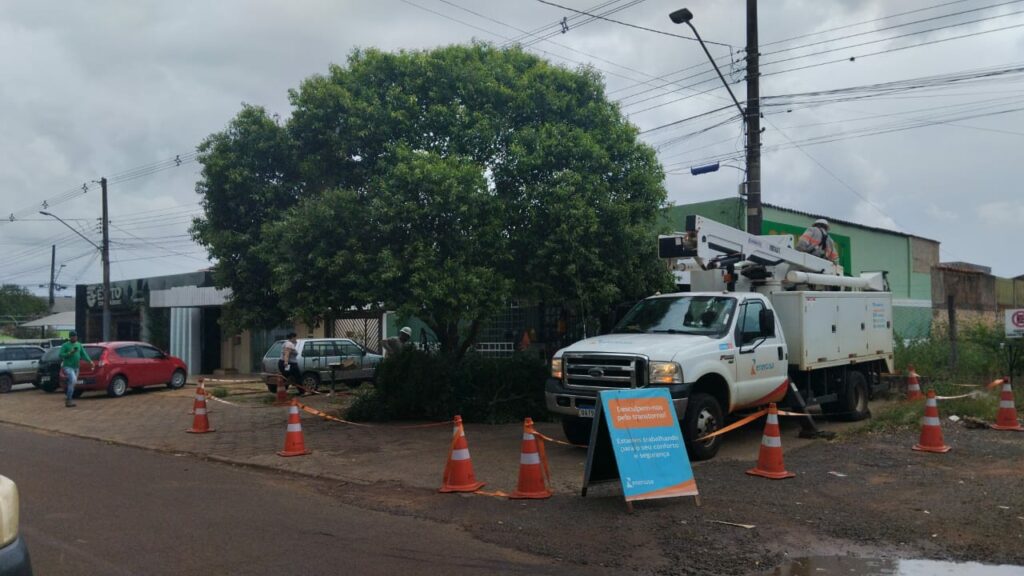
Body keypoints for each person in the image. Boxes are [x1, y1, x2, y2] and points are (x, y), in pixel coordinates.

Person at [59, 331, 93, 408]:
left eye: (75, 336)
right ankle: (69, 399)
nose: (74, 338)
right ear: (70, 337)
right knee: (73, 380)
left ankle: (69, 400)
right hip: (68, 366)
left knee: (72, 383)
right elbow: (60, 355)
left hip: (76, 367)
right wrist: (69, 353)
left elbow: (84, 354)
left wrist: (90, 361)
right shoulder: (65, 345)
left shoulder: (78, 345)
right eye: (73, 336)